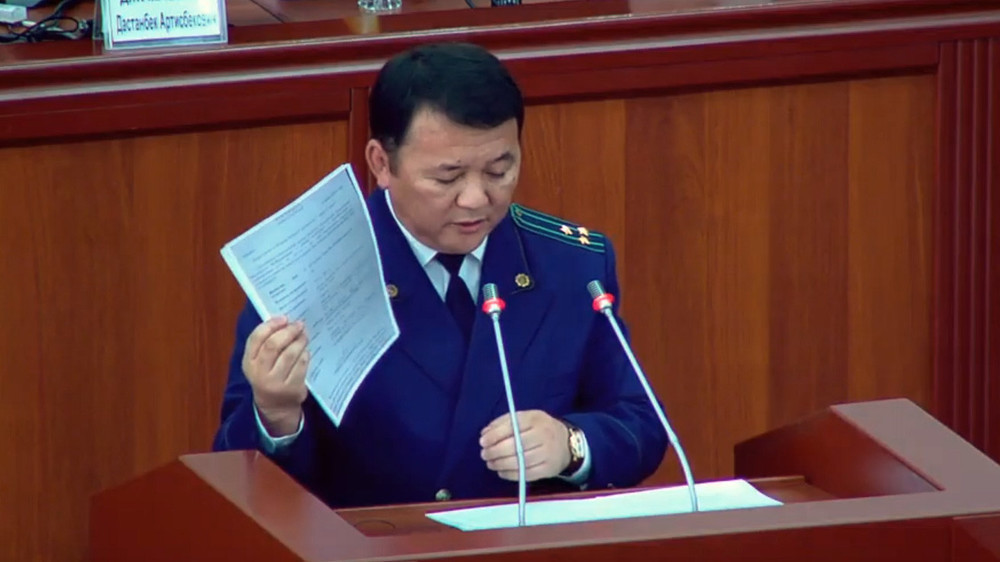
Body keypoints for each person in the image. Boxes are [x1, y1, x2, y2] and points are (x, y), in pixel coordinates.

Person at [212, 42, 667, 508]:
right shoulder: (308, 276)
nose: (476, 199)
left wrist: (571, 445)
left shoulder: (569, 264)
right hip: (374, 541)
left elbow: (642, 424)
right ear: (381, 163)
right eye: (447, 178)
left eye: (499, 170)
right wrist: (276, 414)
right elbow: (242, 482)